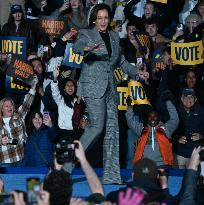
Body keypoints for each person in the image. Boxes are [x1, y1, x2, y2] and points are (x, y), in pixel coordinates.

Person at [72, 3, 149, 184]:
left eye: (106, 17)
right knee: (96, 127)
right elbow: (77, 46)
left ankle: (111, 175)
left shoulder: (114, 36)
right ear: (94, 19)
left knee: (113, 130)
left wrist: (137, 72)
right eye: (100, 18)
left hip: (110, 89)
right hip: (92, 87)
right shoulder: (87, 34)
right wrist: (86, 49)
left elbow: (121, 61)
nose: (103, 21)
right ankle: (65, 164)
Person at [126, 98, 179, 167]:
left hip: (162, 165)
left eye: (155, 117)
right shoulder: (142, 129)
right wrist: (129, 107)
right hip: (145, 165)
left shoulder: (166, 129)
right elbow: (130, 121)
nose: (152, 119)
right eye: (150, 117)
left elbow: (175, 119)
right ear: (147, 119)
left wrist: (168, 102)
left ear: (159, 118)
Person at [0, 77, 38, 167]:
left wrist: (33, 86)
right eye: (7, 106)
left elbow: (27, 102)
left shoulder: (18, 115)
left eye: (12, 105)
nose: (10, 108)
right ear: (1, 109)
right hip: (4, 162)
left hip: (21, 159)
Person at [173, 88, 204, 168]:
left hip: (195, 155)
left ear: (195, 99)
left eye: (191, 97)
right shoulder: (174, 111)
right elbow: (167, 131)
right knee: (177, 179)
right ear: (181, 98)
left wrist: (201, 136)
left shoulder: (201, 112)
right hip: (179, 155)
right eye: (186, 96)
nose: (188, 99)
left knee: (194, 179)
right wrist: (177, 138)